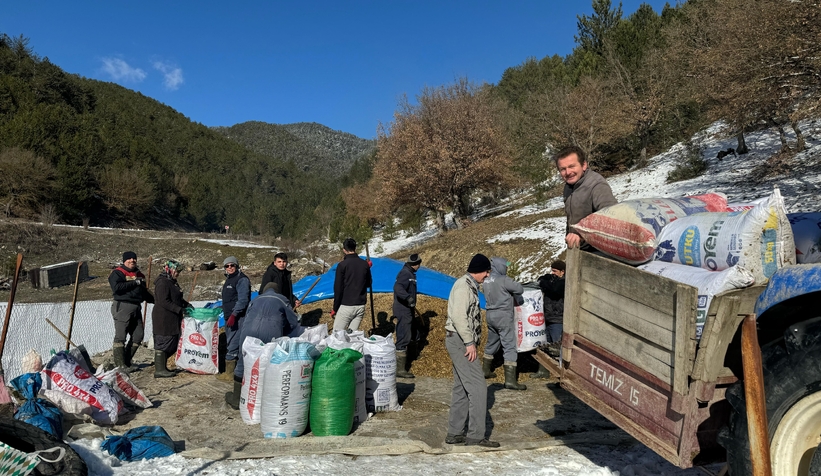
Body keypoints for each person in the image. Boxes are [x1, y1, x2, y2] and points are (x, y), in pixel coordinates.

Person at [444, 253, 500, 448]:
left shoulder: (469, 285)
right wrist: (469, 342)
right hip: (460, 341)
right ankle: (476, 435)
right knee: (478, 387)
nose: (487, 275)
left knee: (461, 387)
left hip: (460, 340)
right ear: (479, 270)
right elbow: (459, 317)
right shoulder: (463, 287)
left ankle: (455, 433)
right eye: (486, 272)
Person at [225, 282, 304, 410]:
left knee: (243, 361)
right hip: (270, 332)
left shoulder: (255, 299)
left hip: (248, 332)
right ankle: (264, 399)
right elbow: (293, 322)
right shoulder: (282, 299)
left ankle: (236, 399)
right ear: (277, 291)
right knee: (268, 362)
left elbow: (247, 316)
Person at [555, 145, 617, 251]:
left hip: (598, 251)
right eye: (563, 169)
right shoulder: (569, 186)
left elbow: (612, 218)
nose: (568, 172)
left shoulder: (596, 185)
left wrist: (582, 234)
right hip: (578, 247)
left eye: (572, 166)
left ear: (584, 165)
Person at [482, 257, 526, 390]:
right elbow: (519, 289)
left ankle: (485, 371)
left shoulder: (486, 280)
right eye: (505, 266)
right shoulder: (504, 280)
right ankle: (510, 381)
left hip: (490, 315)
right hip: (503, 316)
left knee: (492, 342)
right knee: (509, 345)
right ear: (500, 266)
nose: (506, 268)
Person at [109, 251, 154, 370]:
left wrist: (157, 300)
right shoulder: (118, 273)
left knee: (138, 335)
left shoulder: (140, 275)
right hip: (123, 306)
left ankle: (127, 361)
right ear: (124, 261)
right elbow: (117, 288)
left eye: (134, 258)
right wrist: (135, 282)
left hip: (136, 307)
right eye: (129, 259)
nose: (132, 260)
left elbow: (144, 292)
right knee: (121, 336)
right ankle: (120, 365)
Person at [151, 260, 189, 379]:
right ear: (169, 269)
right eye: (176, 271)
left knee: (171, 342)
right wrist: (179, 309)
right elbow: (163, 301)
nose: (178, 274)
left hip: (171, 317)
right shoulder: (162, 282)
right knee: (163, 342)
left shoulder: (171, 282)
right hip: (163, 318)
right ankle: (159, 369)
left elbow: (176, 298)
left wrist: (186, 305)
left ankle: (162, 366)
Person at [217, 256, 251, 382]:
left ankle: (230, 373)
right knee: (230, 341)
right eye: (227, 266)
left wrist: (234, 314)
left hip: (238, 317)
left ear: (237, 266)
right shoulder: (230, 279)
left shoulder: (241, 280)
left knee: (233, 343)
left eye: (232, 265)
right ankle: (231, 371)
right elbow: (230, 299)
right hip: (229, 316)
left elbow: (243, 300)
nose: (230, 267)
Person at [532, 259, 566, 379]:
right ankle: (544, 371)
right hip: (548, 318)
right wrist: (545, 280)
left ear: (562, 272)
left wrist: (545, 282)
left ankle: (560, 375)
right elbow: (541, 279)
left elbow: (555, 289)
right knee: (545, 346)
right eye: (552, 271)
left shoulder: (564, 283)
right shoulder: (553, 280)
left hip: (558, 319)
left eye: (555, 271)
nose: (553, 273)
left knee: (557, 348)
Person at [331, 238, 372, 332]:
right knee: (352, 335)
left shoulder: (342, 265)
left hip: (347, 305)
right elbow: (368, 283)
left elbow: (338, 288)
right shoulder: (364, 264)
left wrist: (335, 308)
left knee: (337, 335)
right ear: (355, 248)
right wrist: (367, 268)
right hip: (360, 305)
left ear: (344, 250)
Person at [393, 253, 422, 379]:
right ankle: (399, 369)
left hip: (408, 309)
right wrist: (408, 298)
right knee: (403, 335)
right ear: (415, 264)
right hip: (403, 309)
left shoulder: (410, 274)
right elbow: (398, 288)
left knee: (414, 332)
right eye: (419, 264)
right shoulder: (405, 273)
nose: (419, 266)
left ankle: (411, 356)